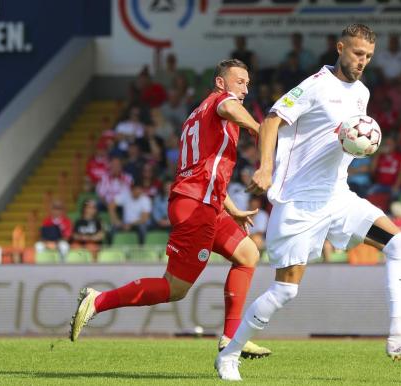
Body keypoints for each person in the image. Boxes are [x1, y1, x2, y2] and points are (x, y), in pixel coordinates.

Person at [215, 24, 401, 382]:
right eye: (356, 53)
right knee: (285, 290)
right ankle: (229, 354)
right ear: (340, 48)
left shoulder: (362, 94)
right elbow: (273, 118)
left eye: (367, 55)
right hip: (299, 204)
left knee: (399, 242)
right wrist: (265, 167)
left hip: (338, 197)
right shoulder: (316, 86)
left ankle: (399, 335)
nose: (362, 61)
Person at [70, 59, 271, 359]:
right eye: (239, 81)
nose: (245, 89)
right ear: (220, 83)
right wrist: (258, 128)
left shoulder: (197, 116)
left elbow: (204, 169)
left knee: (248, 254)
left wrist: (232, 209)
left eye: (247, 83)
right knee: (174, 288)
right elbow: (229, 107)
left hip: (207, 204)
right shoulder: (221, 103)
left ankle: (232, 338)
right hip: (196, 208)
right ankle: (99, 301)